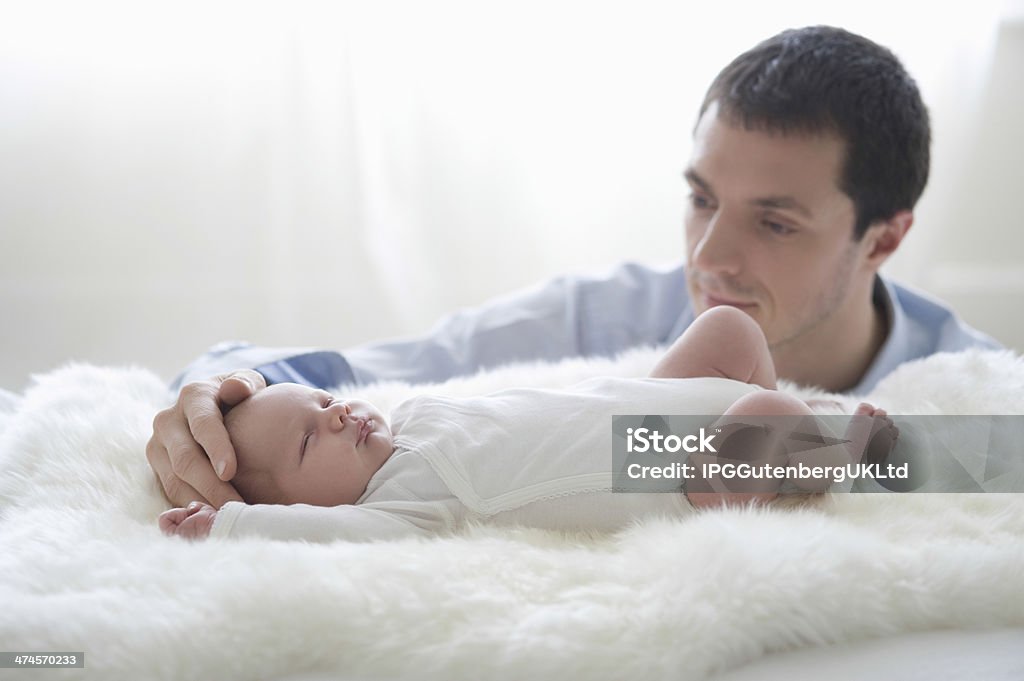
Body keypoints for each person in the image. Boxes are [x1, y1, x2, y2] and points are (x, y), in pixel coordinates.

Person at [148, 25, 997, 510]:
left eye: (774, 221)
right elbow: (346, 378)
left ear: (884, 238)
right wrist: (221, 396)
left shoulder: (973, 386)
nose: (707, 258)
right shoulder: (597, 323)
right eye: (701, 198)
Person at [159, 306, 899, 541]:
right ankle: (818, 457)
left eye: (323, 404)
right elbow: (325, 538)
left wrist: (258, 379)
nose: (338, 412)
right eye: (308, 438)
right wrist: (228, 525)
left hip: (642, 402)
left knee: (731, 329)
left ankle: (777, 452)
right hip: (680, 472)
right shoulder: (405, 502)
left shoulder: (414, 414)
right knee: (771, 413)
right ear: (295, 502)